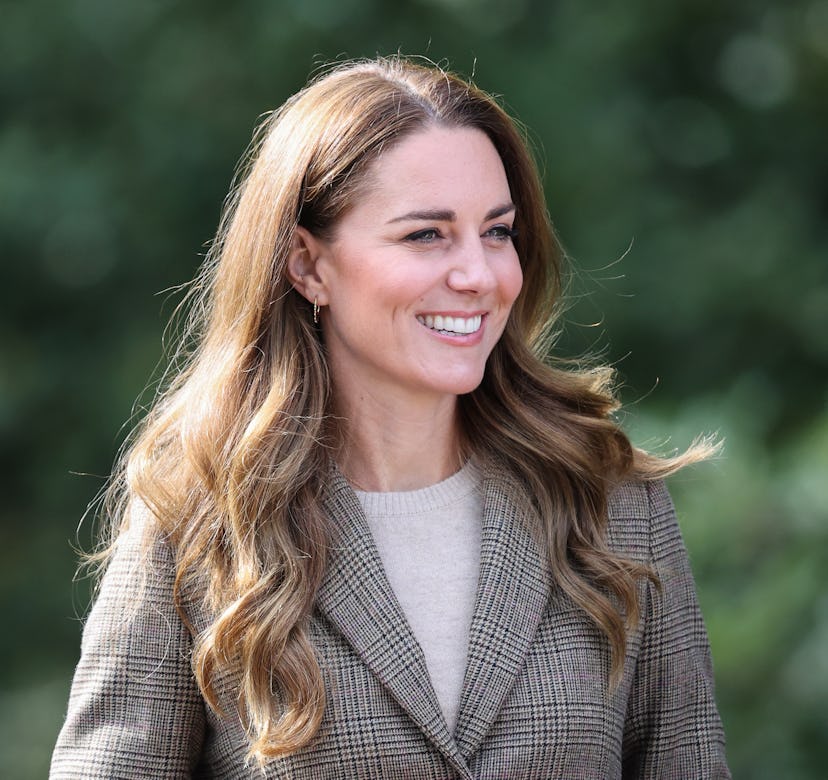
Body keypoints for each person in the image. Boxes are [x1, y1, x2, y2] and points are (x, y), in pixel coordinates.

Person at [51, 55, 730, 779]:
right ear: (308, 265)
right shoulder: (197, 523)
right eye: (426, 235)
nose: (478, 274)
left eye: (497, 232)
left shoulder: (611, 502)